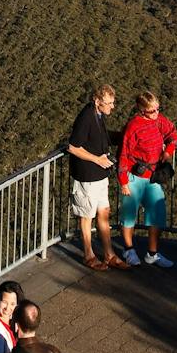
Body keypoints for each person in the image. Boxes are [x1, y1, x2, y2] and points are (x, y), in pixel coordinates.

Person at [65, 85, 130, 271]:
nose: (112, 106)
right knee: (87, 216)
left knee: (104, 212)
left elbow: (100, 137)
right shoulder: (86, 117)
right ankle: (89, 255)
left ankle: (109, 255)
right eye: (108, 103)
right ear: (97, 101)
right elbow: (73, 147)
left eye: (112, 102)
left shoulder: (99, 115)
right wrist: (97, 159)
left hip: (100, 175)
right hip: (87, 176)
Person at [118, 91, 177, 267]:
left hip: (153, 177)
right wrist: (123, 182)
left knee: (157, 215)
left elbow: (173, 135)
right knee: (129, 216)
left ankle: (152, 254)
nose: (156, 113)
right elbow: (124, 155)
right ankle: (128, 250)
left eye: (158, 109)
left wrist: (168, 152)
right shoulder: (133, 126)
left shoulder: (160, 121)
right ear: (142, 110)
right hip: (134, 177)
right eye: (152, 111)